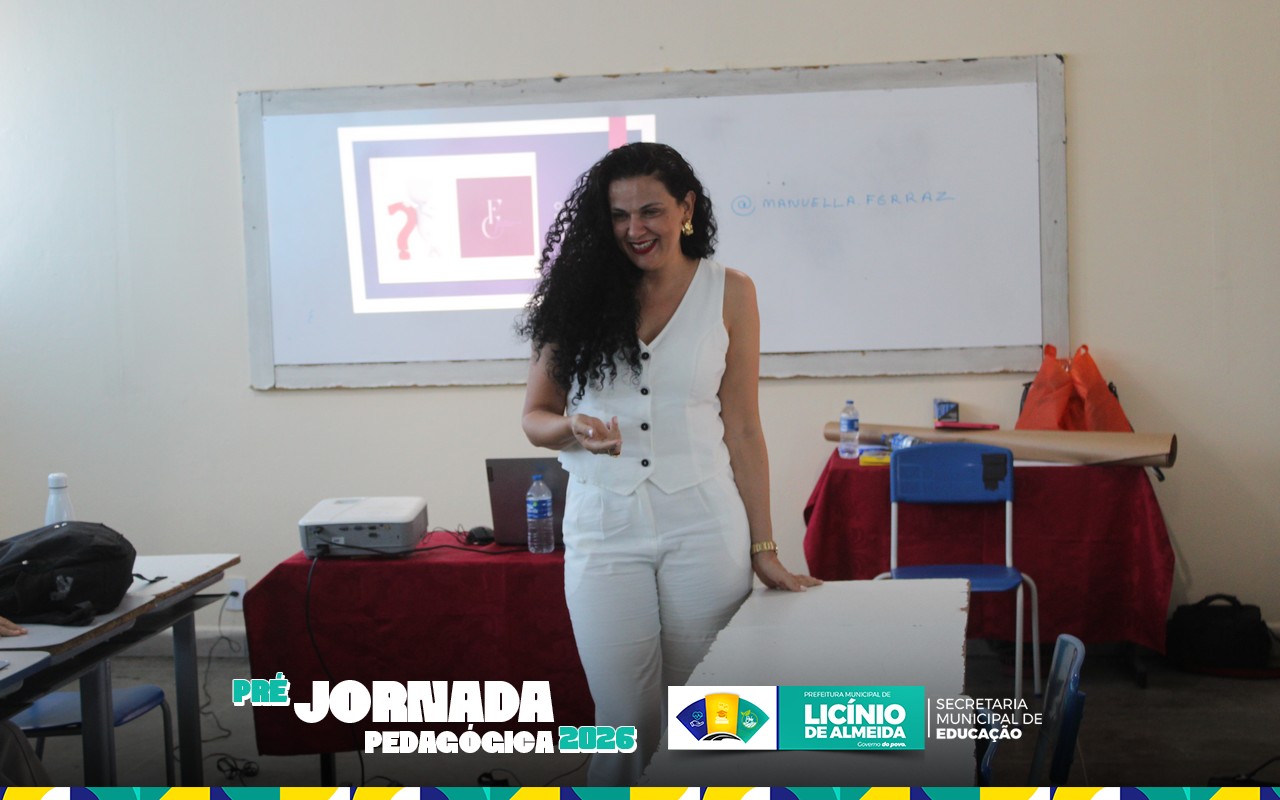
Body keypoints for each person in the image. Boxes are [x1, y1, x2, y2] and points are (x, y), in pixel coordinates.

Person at [519, 142, 820, 785]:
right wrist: (571, 428)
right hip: (604, 527)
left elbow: (743, 428)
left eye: (650, 211)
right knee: (623, 718)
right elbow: (535, 416)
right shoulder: (575, 295)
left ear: (685, 208)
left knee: (709, 717)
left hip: (704, 524)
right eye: (619, 215)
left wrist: (764, 547)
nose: (635, 229)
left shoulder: (731, 292)